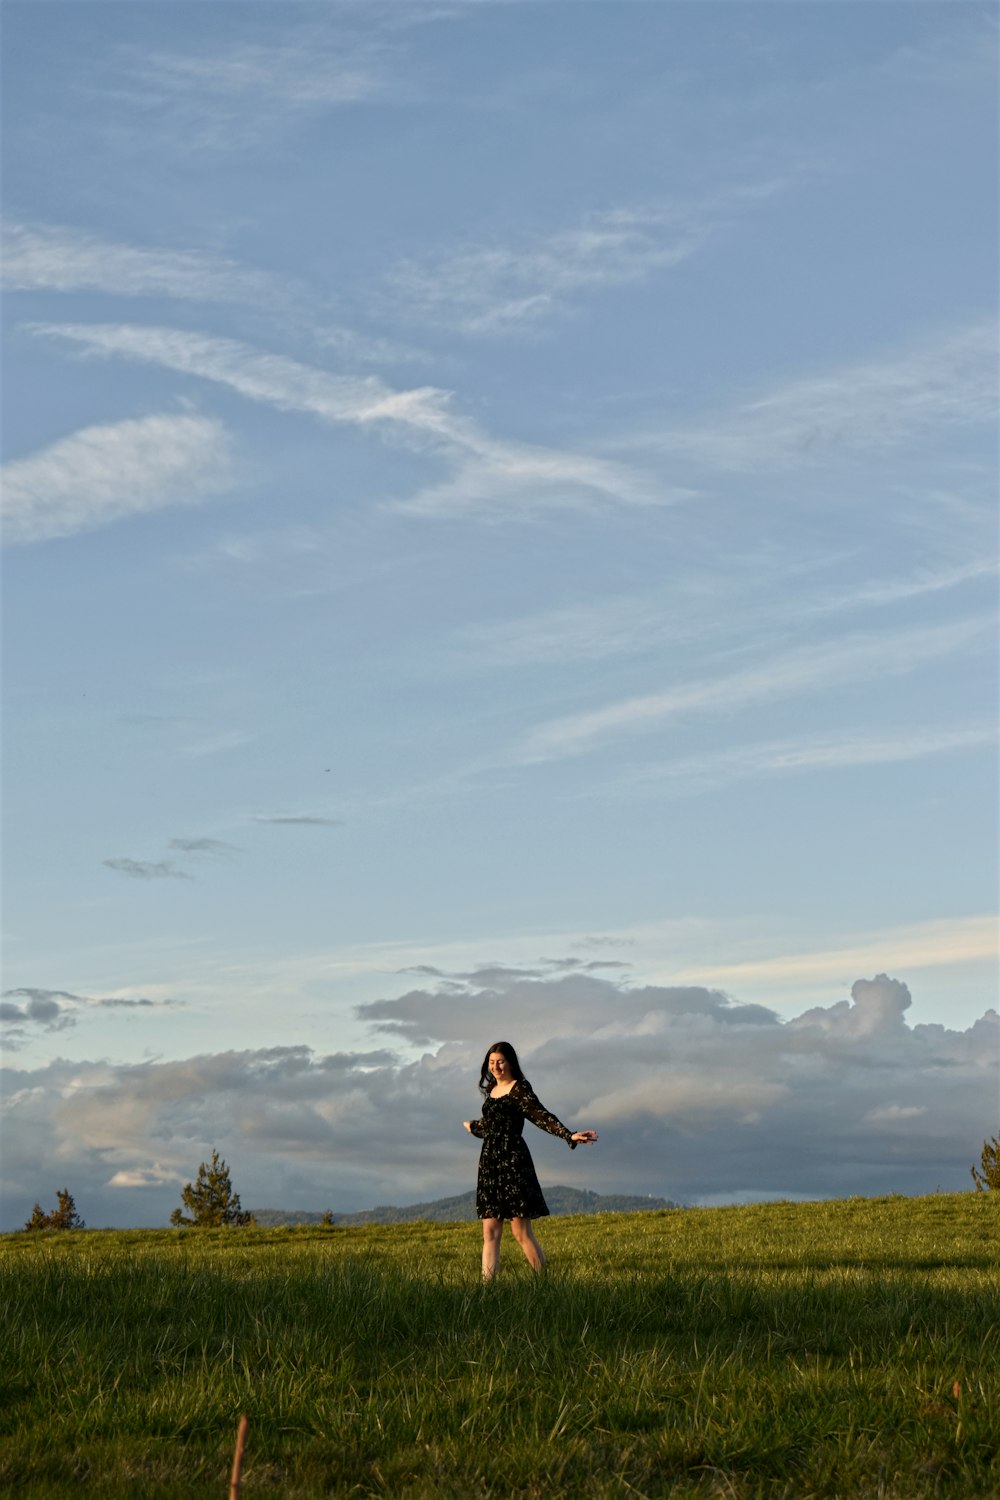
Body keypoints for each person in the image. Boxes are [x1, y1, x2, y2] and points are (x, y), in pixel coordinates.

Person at [463, 1040, 598, 1279]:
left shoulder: (519, 1088)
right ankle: (486, 1291)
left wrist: (569, 1134)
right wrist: (473, 1127)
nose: (496, 1067)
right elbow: (489, 1127)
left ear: (511, 1063)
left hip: (514, 1162)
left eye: (500, 1062)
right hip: (490, 1164)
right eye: (492, 1062)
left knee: (520, 1231)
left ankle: (543, 1283)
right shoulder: (491, 1091)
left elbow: (541, 1116)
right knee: (490, 1231)